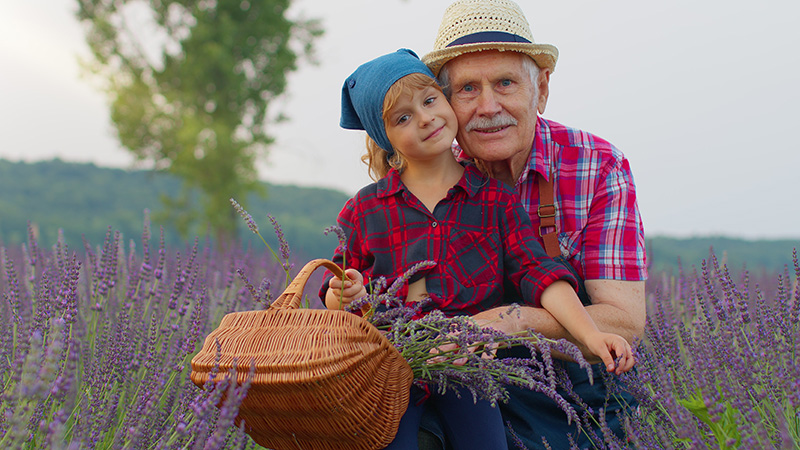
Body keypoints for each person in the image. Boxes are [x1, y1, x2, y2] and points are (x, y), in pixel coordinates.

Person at [320, 48, 635, 450]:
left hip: (469, 366)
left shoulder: (495, 202)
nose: (426, 117)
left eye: (430, 100)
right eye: (403, 118)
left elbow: (541, 276)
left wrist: (589, 335)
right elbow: (341, 300)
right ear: (387, 139)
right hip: (392, 370)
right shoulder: (365, 209)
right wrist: (344, 293)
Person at [417, 0, 649, 448]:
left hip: (573, 393)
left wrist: (513, 321)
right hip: (456, 387)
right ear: (444, 101)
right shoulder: (425, 177)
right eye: (467, 89)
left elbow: (622, 323)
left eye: (505, 83)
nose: (488, 106)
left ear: (540, 89)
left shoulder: (598, 165)